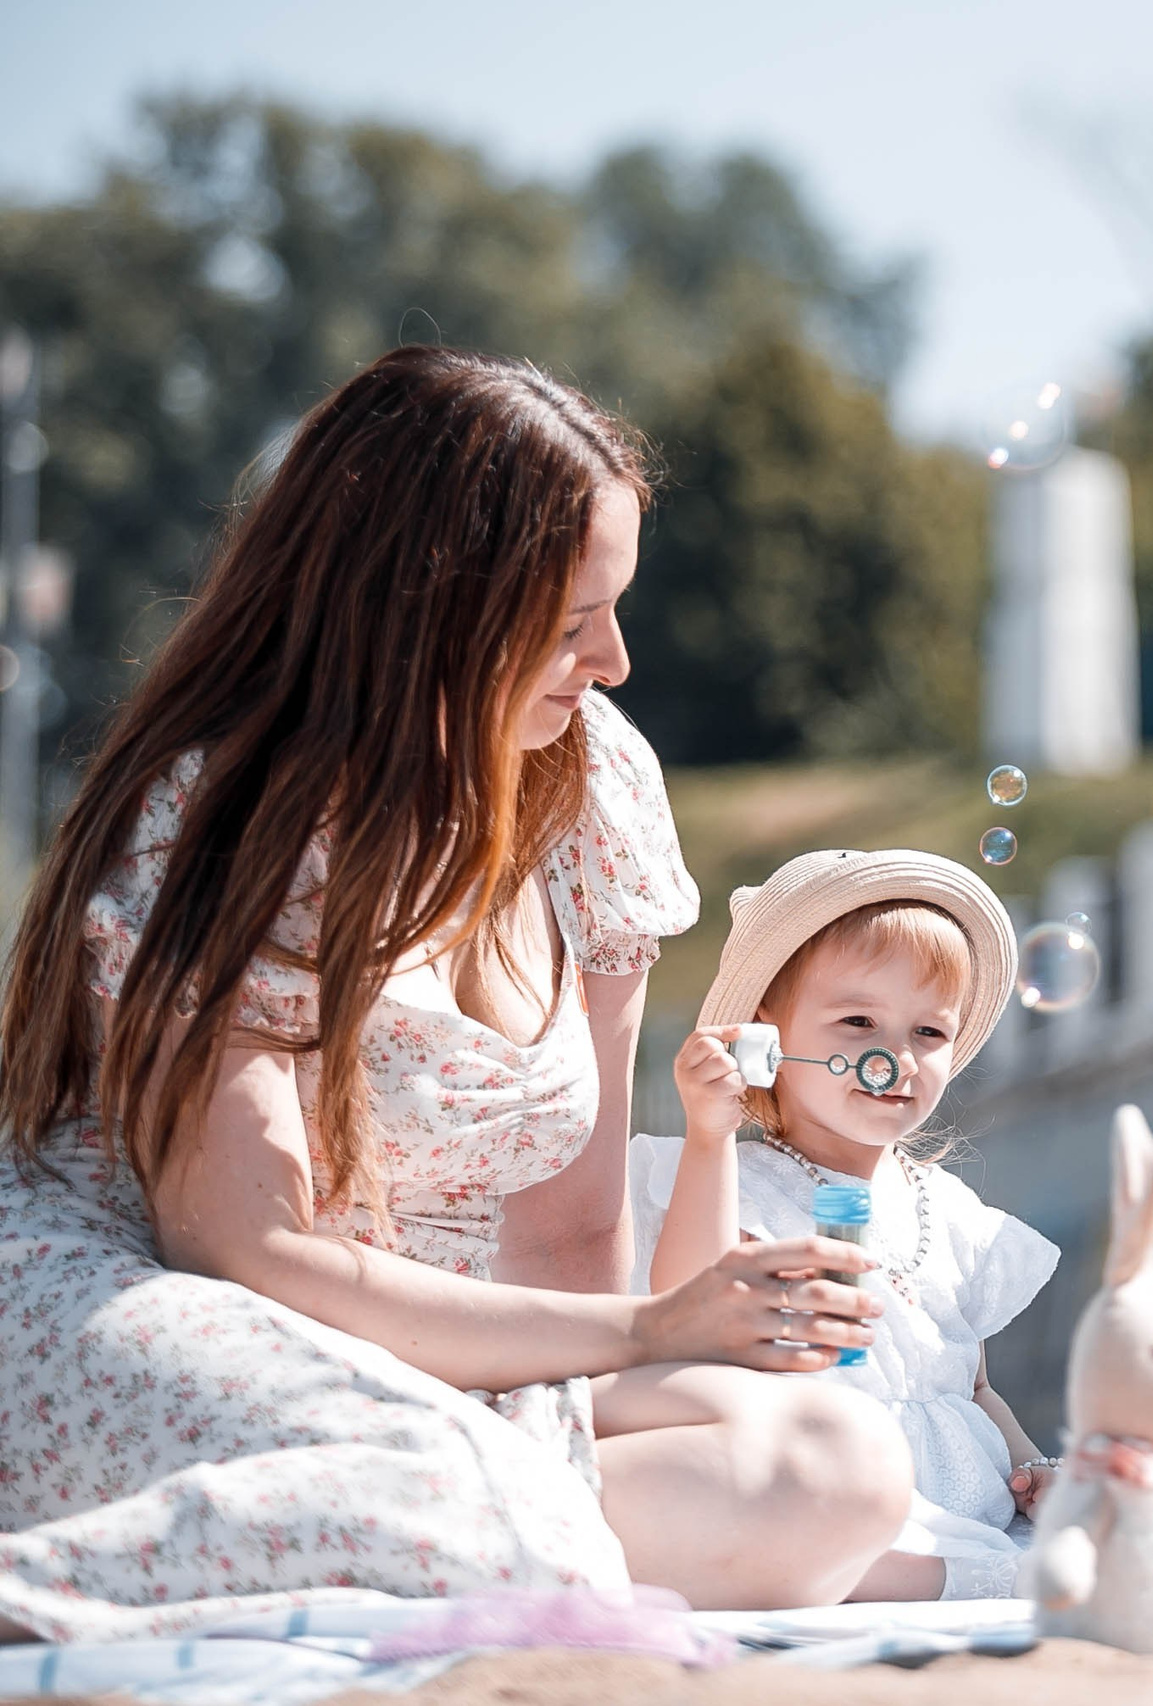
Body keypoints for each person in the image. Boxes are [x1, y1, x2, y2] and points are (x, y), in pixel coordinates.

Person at [0, 348, 912, 1644]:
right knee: (488, 1518)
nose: (615, 658)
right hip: (163, 1313)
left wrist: (647, 1338)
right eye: (570, 619)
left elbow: (564, 1233)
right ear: (430, 603)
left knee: (841, 1462)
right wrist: (653, 1327)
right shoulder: (226, 817)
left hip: (443, 1352)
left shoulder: (590, 784)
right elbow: (246, 1250)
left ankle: (480, 1531)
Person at [631, 848, 1060, 1602]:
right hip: (831, 1487)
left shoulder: (952, 1211)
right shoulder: (733, 1181)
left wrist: (1037, 1471)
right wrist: (707, 1137)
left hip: (970, 1505)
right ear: (767, 1036)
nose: (893, 1056)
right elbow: (686, 1300)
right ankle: (940, 1580)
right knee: (803, 1539)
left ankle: (973, 1571)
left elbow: (977, 1384)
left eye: (928, 1033)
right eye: (858, 1020)